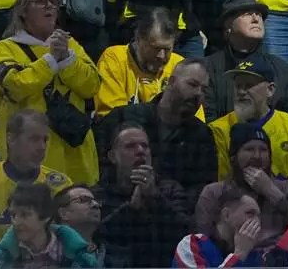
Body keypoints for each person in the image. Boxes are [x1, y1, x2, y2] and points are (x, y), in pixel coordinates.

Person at [0, 0, 100, 186]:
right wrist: (50, 60)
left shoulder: (70, 44)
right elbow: (15, 86)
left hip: (74, 149)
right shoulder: (5, 48)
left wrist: (66, 59)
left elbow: (92, 85)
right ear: (23, 10)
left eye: (53, 2)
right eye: (41, 2)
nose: (49, 6)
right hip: (30, 155)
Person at [100, 60, 217, 197]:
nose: (198, 94)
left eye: (204, 89)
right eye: (192, 84)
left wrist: (158, 198)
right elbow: (101, 170)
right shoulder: (123, 117)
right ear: (171, 82)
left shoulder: (202, 136)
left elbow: (202, 191)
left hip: (173, 212)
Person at [202, 0, 288, 126]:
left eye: (258, 15)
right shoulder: (208, 67)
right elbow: (207, 119)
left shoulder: (280, 66)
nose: (255, 19)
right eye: (247, 14)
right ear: (228, 27)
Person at [0, 109, 73, 247]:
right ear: (11, 139)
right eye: (34, 139)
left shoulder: (61, 185)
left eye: (45, 140)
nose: (42, 147)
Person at [208, 56, 288, 183]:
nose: (241, 91)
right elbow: (218, 183)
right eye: (238, 86)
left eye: (249, 85)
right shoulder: (217, 130)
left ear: (270, 90)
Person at [94, 123, 191, 267]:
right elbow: (96, 235)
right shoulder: (98, 194)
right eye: (130, 146)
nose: (140, 151)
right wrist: (131, 209)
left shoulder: (170, 189)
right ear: (112, 156)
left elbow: (186, 233)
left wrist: (155, 197)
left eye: (145, 146)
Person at [194, 124, 288, 242]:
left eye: (263, 150)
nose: (257, 156)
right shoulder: (213, 192)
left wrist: (271, 191)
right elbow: (202, 242)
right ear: (233, 157)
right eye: (249, 149)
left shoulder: (286, 188)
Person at [96, 7, 188, 116]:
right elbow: (112, 118)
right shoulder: (114, 59)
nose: (162, 56)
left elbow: (196, 121)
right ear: (138, 39)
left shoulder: (179, 67)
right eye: (156, 49)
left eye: (167, 49)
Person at [0, 183, 91, 269]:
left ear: (46, 216)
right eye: (13, 215)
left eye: (25, 215)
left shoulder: (81, 257)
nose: (16, 222)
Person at [173, 186, 262, 268]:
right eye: (250, 213)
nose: (257, 222)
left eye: (258, 216)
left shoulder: (254, 255)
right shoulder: (192, 245)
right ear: (226, 215)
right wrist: (239, 255)